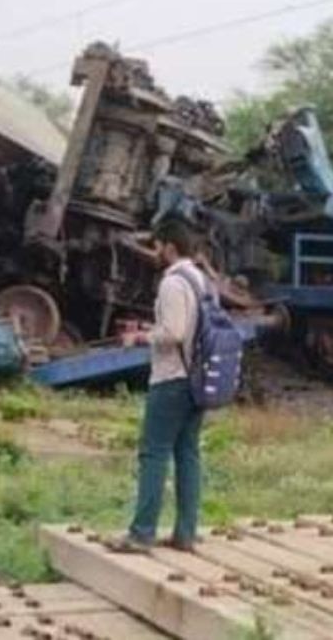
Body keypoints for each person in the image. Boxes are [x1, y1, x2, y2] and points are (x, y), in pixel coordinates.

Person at [117, 218, 209, 553]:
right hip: (198, 378)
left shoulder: (172, 283)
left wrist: (140, 336)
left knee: (153, 453)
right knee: (187, 454)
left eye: (157, 246)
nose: (154, 252)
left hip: (171, 379)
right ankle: (185, 533)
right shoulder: (200, 279)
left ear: (169, 247)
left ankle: (142, 533)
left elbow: (174, 332)